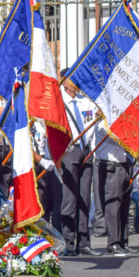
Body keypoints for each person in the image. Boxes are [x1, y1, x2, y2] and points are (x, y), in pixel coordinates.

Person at [59, 72, 101, 256]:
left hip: (87, 151)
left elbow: (95, 115)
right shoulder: (59, 102)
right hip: (70, 150)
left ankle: (83, 243)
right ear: (65, 82)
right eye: (72, 79)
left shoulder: (86, 102)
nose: (76, 82)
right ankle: (68, 243)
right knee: (70, 199)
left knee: (85, 198)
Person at [92, 119, 137, 254]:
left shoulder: (121, 124)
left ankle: (123, 241)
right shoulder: (103, 125)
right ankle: (113, 243)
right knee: (113, 206)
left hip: (125, 166)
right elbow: (121, 139)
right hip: (112, 167)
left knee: (124, 206)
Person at [32, 120, 63, 237]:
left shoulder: (50, 121)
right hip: (38, 164)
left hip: (53, 162)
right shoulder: (31, 123)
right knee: (42, 202)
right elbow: (25, 145)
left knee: (56, 202)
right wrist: (42, 161)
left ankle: (56, 235)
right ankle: (41, 235)